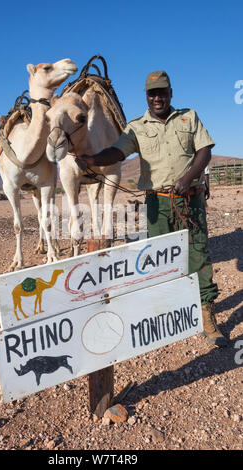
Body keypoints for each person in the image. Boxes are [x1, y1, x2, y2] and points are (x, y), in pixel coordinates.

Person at [76, 70, 228, 348]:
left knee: (198, 254)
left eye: (162, 92)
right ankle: (169, 314)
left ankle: (206, 314)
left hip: (189, 199)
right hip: (157, 203)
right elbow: (118, 152)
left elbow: (204, 150)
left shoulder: (188, 117)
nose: (157, 97)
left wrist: (186, 179)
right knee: (160, 258)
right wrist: (94, 159)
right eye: (152, 93)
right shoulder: (136, 127)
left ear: (171, 93)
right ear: (146, 96)